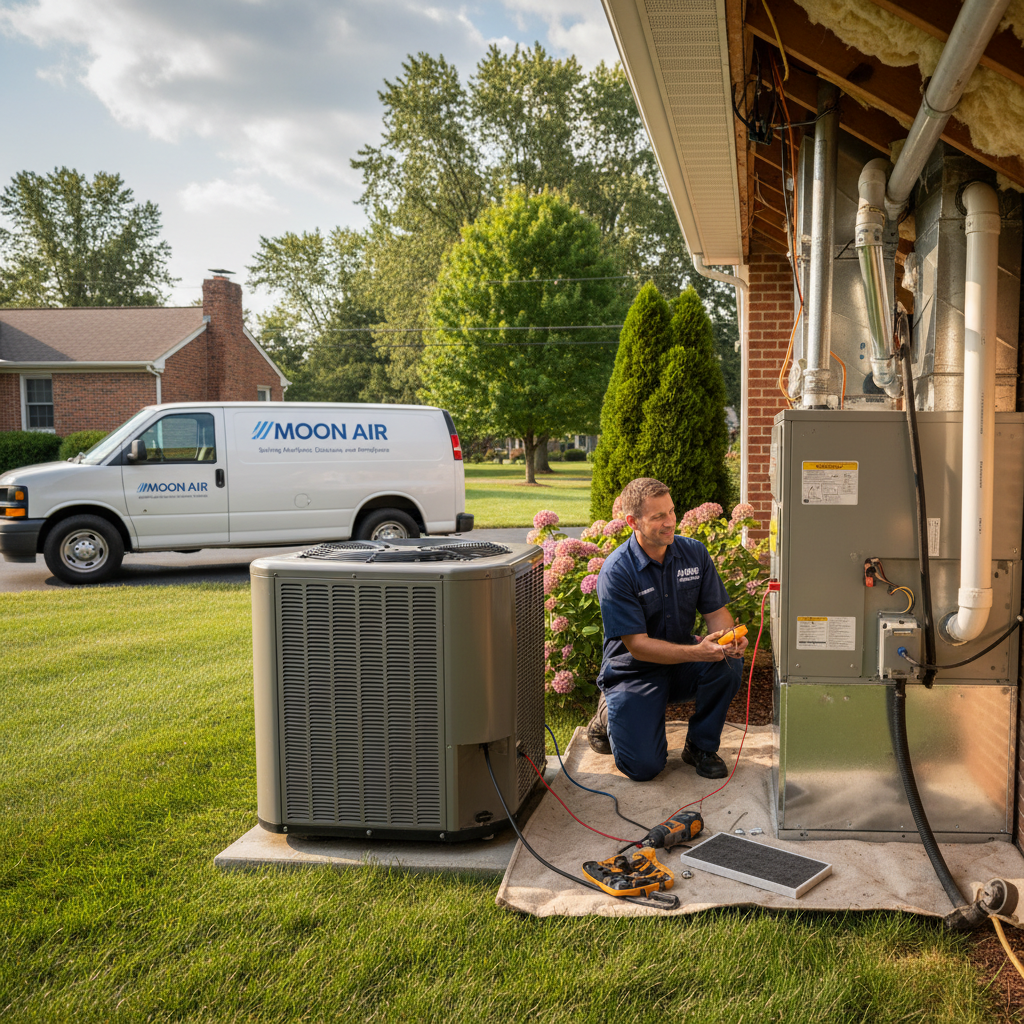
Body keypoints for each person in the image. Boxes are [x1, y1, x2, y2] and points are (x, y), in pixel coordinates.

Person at [588, 477, 748, 781]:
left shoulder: (694, 554)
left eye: (672, 511)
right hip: (633, 672)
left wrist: (731, 639)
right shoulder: (617, 570)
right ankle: (609, 713)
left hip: (680, 664)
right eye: (658, 516)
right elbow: (638, 645)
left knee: (728, 660)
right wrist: (697, 651)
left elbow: (717, 614)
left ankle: (700, 746)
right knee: (644, 768)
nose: (670, 522)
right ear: (632, 521)